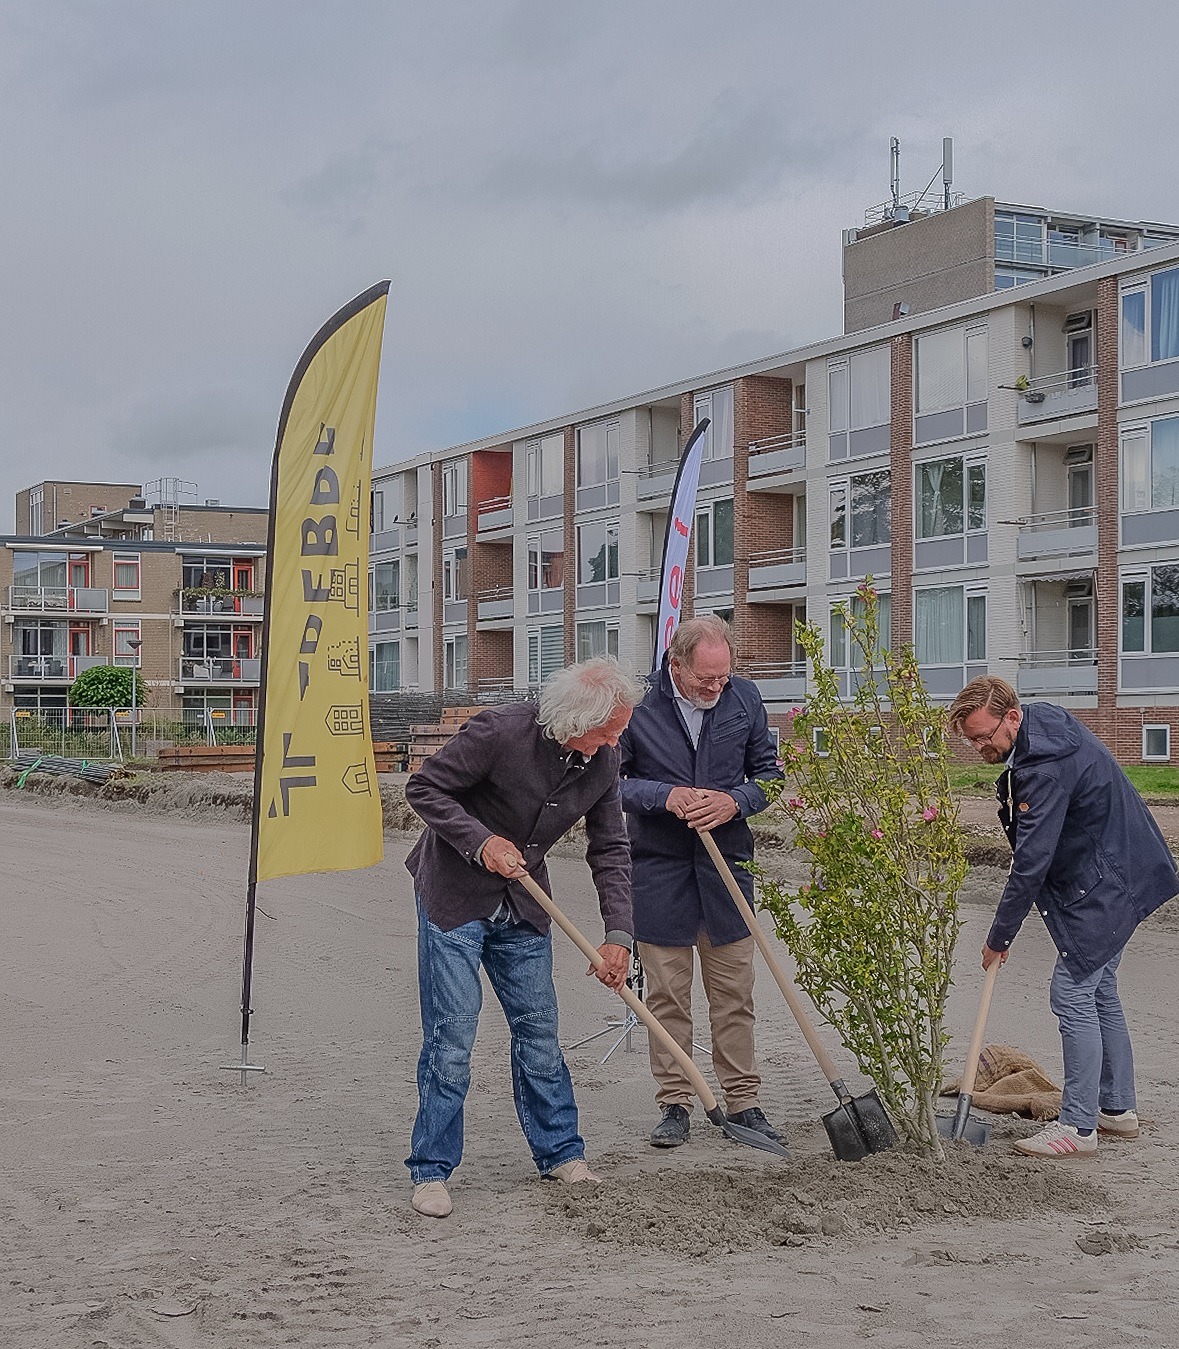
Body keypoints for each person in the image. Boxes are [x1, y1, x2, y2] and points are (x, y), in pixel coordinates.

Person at [403, 656, 645, 1217]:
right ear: (575, 721)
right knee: (453, 1036)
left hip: (525, 906)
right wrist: (481, 841)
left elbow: (610, 849)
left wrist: (618, 934)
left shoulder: (602, 760)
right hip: (455, 897)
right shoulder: (500, 731)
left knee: (540, 1034)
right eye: (610, 729)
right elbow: (426, 789)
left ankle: (560, 1153)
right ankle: (432, 1170)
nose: (617, 740)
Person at [948, 676, 1177, 1158]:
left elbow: (1031, 863)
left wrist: (999, 937)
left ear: (1012, 716)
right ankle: (1116, 1111)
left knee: (1072, 990)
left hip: (1110, 882)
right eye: (971, 738)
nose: (978, 746)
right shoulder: (1042, 722)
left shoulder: (1043, 771)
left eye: (984, 736)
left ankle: (1077, 1129)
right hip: (1123, 867)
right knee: (1100, 988)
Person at [618, 615, 783, 1148]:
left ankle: (744, 1102)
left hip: (726, 870)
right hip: (657, 871)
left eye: (723, 678)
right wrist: (662, 796)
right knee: (667, 997)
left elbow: (769, 777)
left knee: (734, 995)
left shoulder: (744, 698)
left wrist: (735, 801)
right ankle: (676, 1102)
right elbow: (610, 783)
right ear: (676, 665)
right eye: (705, 679)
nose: (716, 688)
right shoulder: (636, 705)